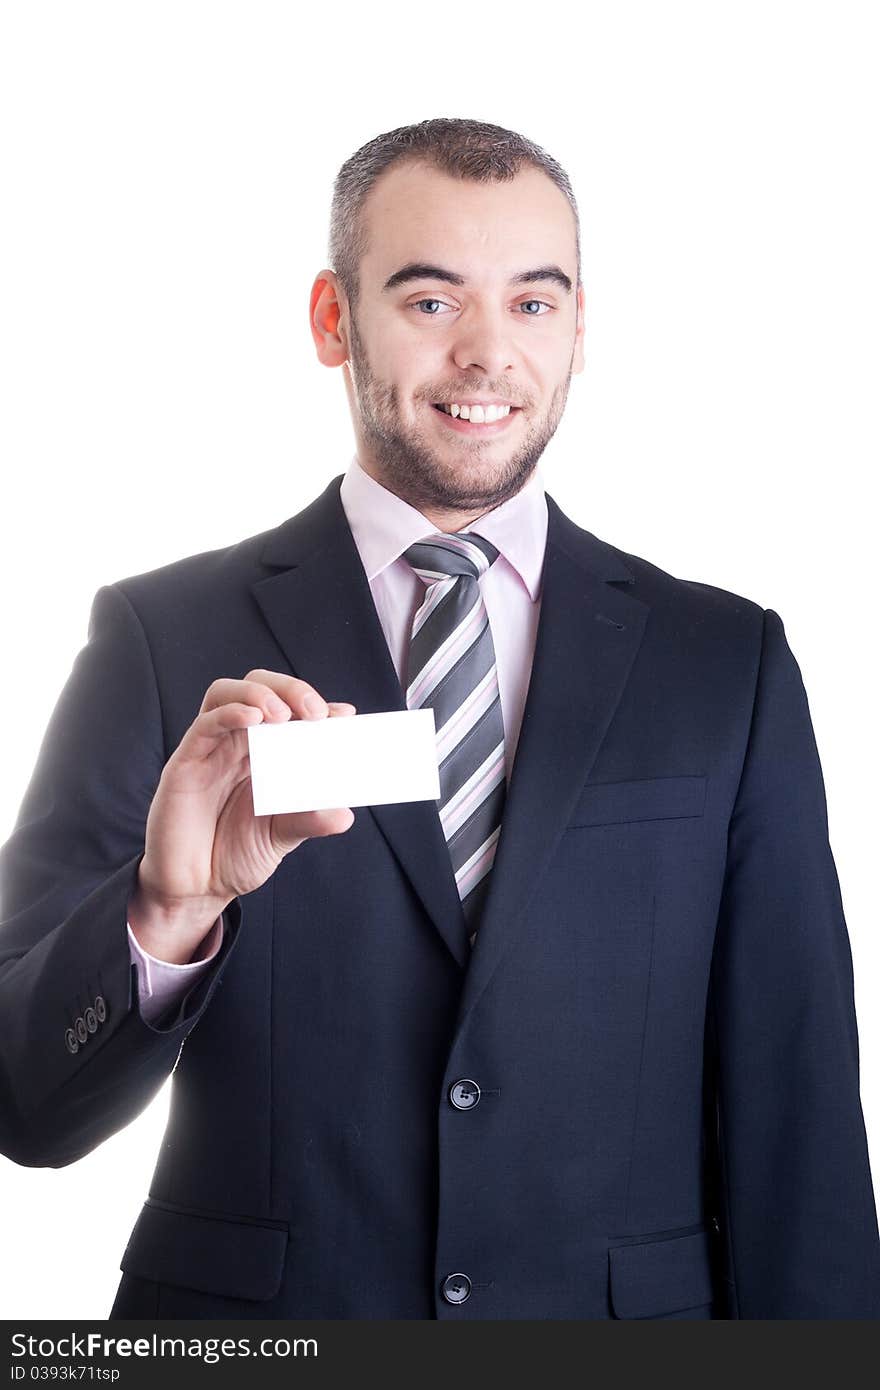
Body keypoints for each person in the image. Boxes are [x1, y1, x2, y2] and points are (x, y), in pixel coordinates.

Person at [1, 116, 878, 1321]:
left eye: (532, 303)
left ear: (580, 326)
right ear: (332, 320)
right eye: (429, 302)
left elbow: (798, 1105)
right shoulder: (163, 639)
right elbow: (21, 1104)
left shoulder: (726, 663)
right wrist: (168, 912)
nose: (486, 355)